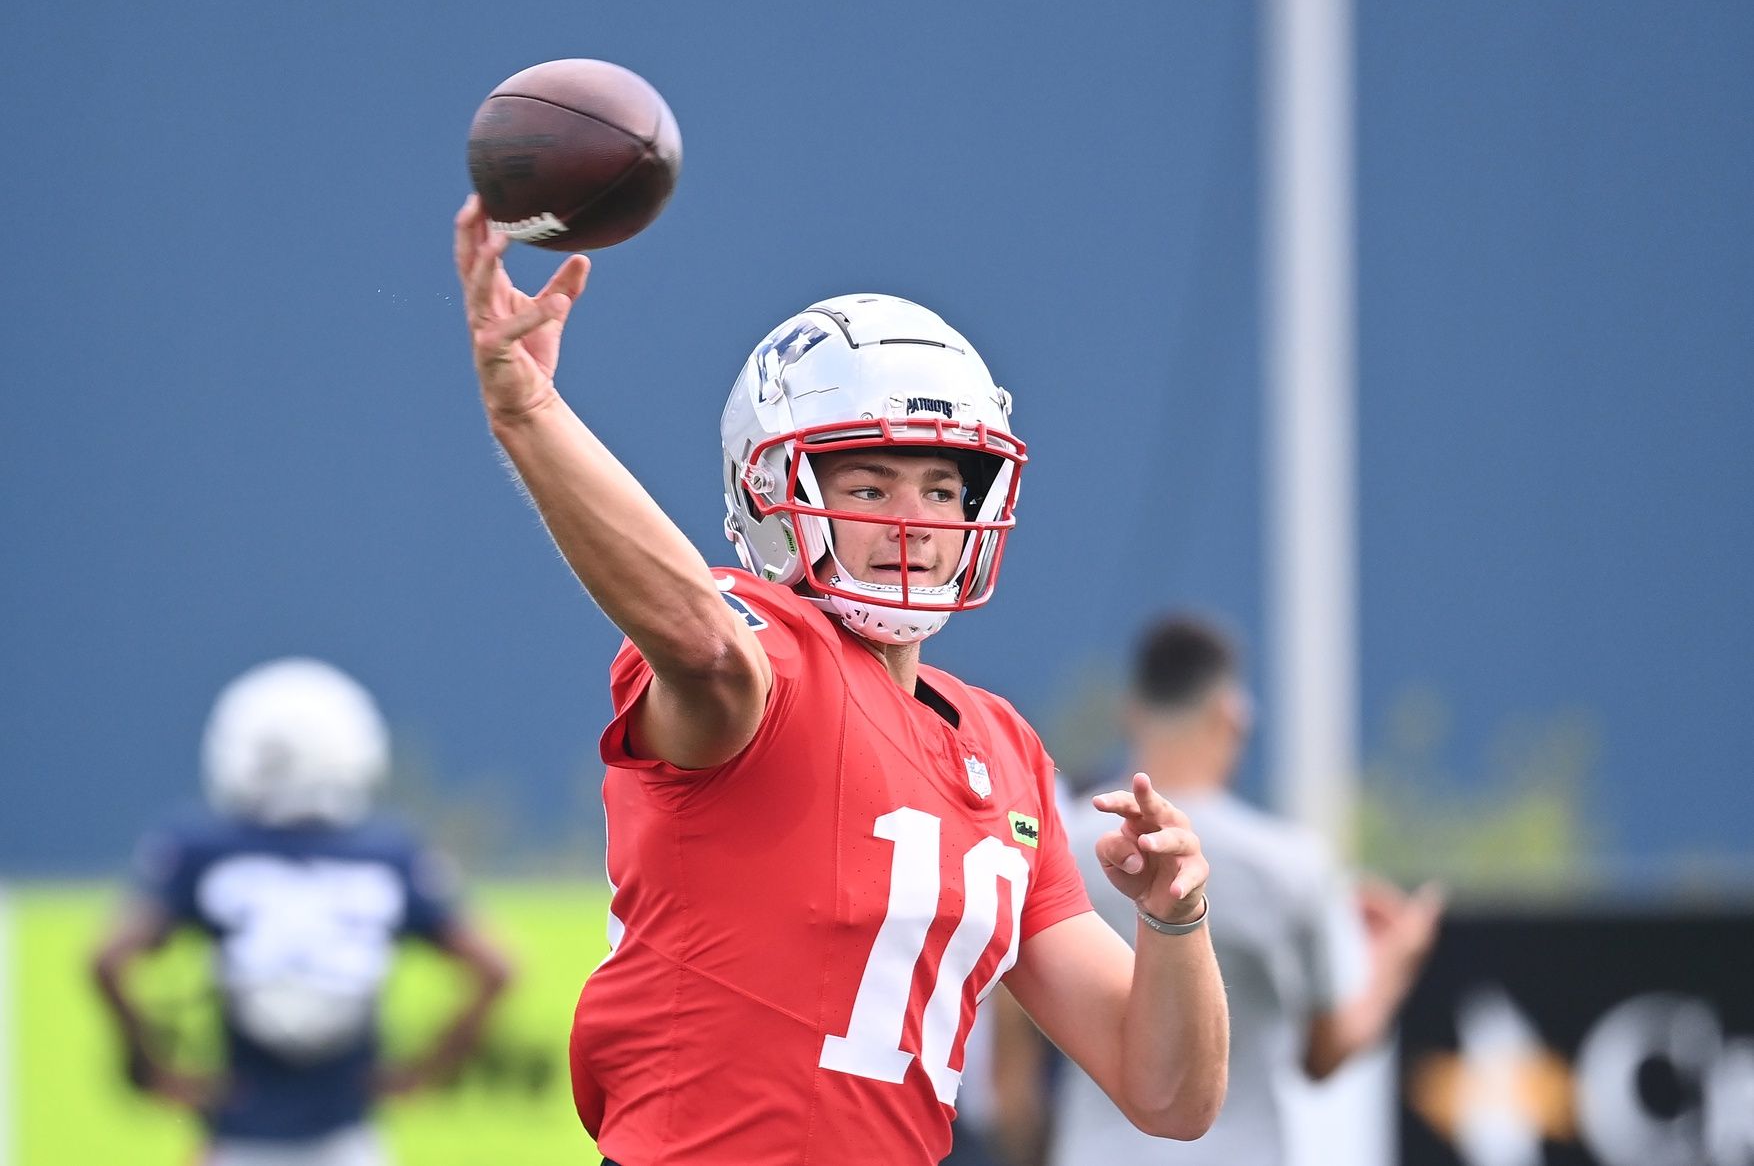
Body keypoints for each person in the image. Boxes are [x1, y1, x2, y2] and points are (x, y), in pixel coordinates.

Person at [451, 196, 1230, 1166]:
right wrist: (528, 413)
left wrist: (1174, 919)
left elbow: (1166, 1094)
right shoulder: (762, 656)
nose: (915, 518)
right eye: (869, 485)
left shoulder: (1004, 753)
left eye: (943, 488)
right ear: (775, 496)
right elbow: (698, 641)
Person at [998, 614, 1443, 1166]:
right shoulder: (1291, 866)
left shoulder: (1056, 849)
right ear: (1231, 717)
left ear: (1131, 715)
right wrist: (1393, 964)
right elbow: (1322, 1055)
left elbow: (1013, 1087)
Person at [91, 657, 513, 1166]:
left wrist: (148, 1065)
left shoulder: (204, 847)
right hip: (348, 1141)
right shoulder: (389, 852)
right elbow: (495, 967)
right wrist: (427, 1072)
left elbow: (108, 959)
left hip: (238, 1134)